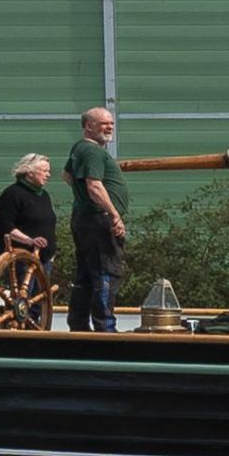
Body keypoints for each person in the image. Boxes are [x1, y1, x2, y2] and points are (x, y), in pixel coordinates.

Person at [62, 107, 130, 332]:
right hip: (98, 221)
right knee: (106, 272)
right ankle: (105, 329)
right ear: (88, 126)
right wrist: (114, 215)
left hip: (85, 218)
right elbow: (94, 185)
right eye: (104, 123)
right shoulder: (92, 152)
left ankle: (79, 325)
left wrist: (82, 199)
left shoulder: (79, 149)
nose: (109, 127)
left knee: (86, 275)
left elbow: (68, 176)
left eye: (111, 123)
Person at [0, 153, 57, 264]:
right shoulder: (12, 194)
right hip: (22, 259)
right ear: (30, 172)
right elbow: (6, 227)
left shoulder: (44, 195)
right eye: (44, 171)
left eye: (49, 171)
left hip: (45, 260)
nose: (48, 175)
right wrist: (30, 241)